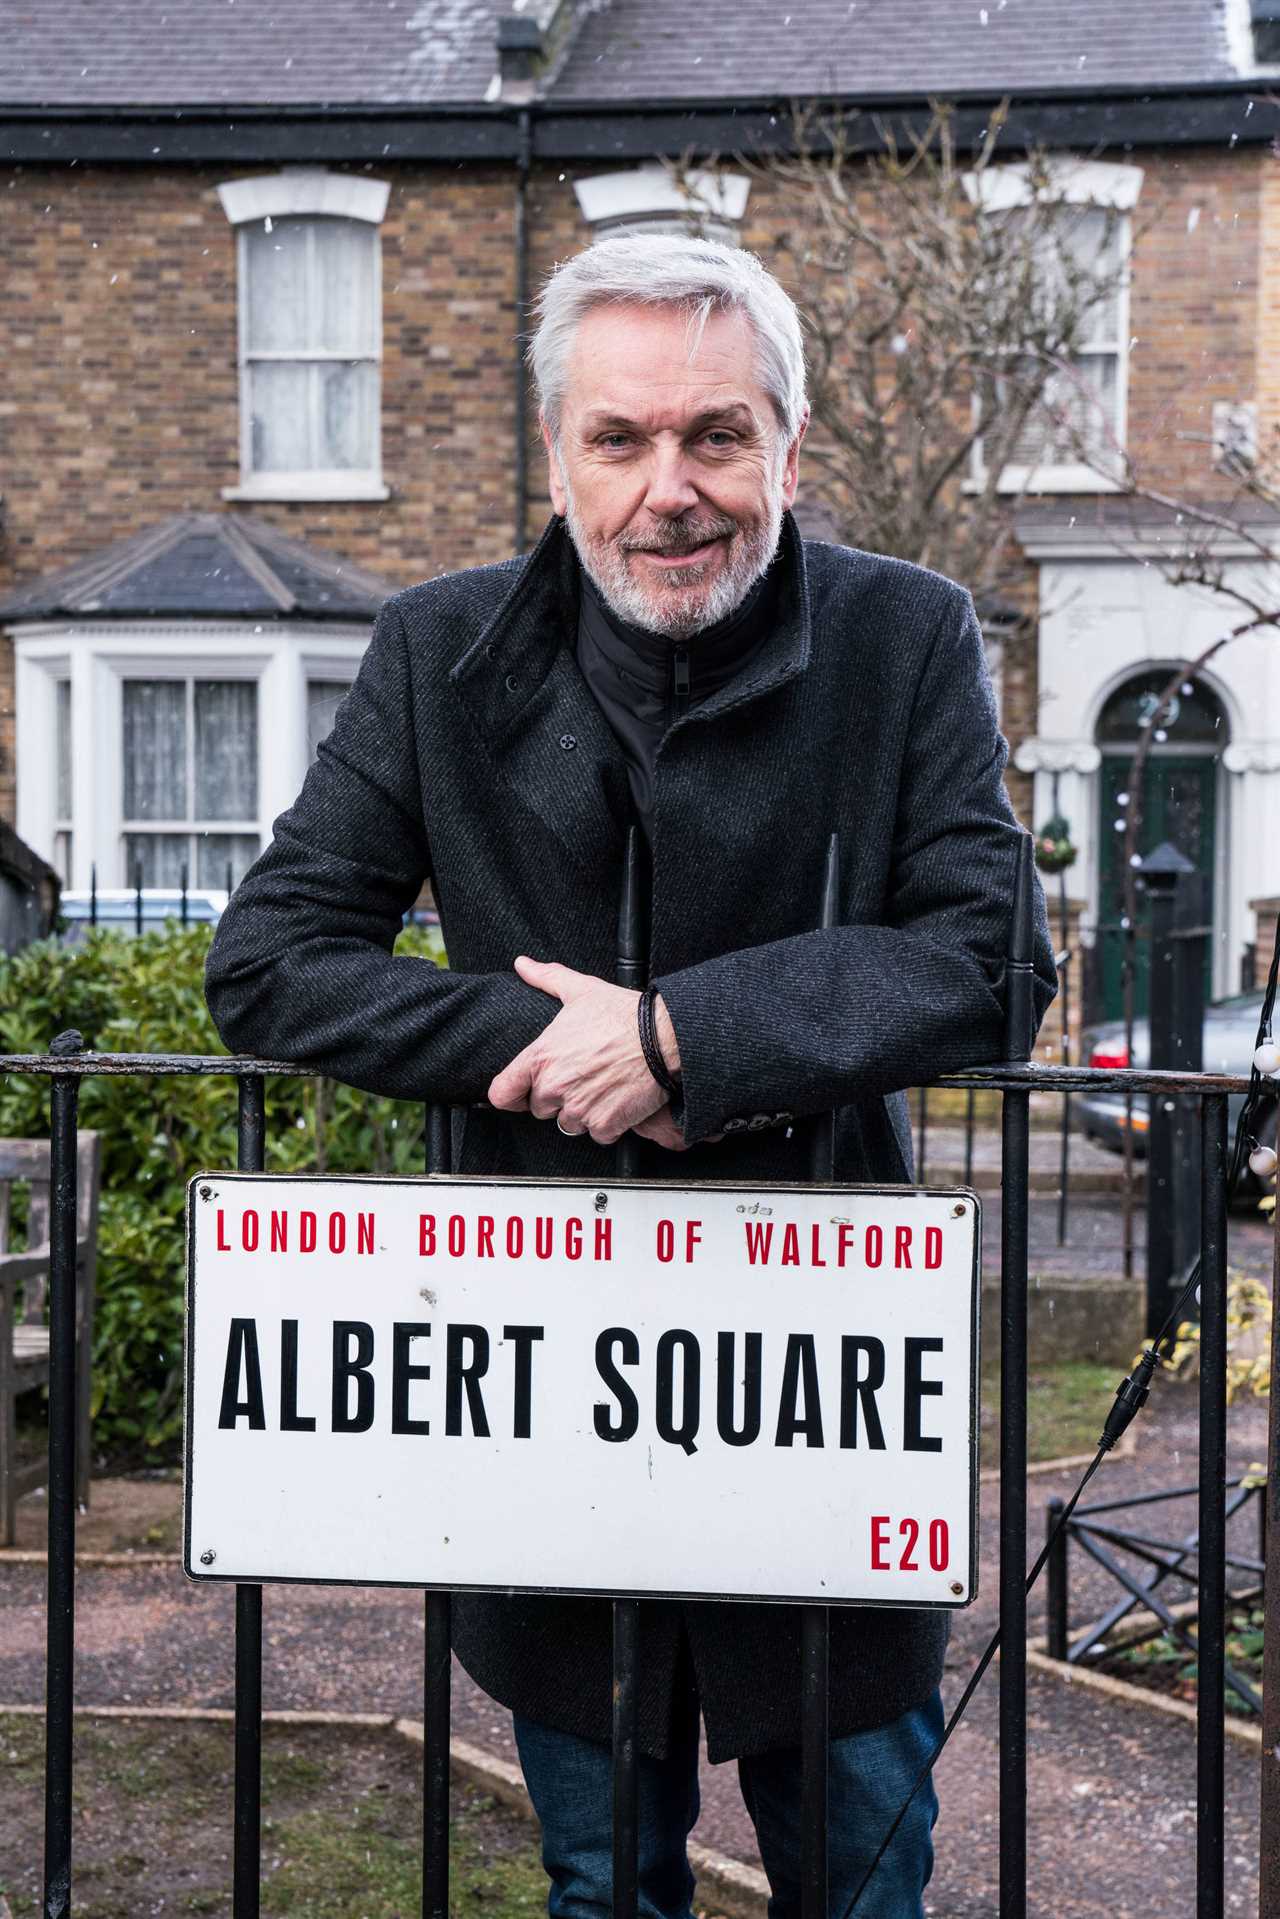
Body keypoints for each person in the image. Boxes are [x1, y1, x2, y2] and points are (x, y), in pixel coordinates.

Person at [204, 232, 1057, 1919]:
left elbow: (991, 958)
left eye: (716, 436)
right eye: (622, 440)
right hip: (550, 1393)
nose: (672, 489)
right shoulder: (438, 650)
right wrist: (566, 1057)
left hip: (818, 1394)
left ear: (787, 450)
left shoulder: (907, 636)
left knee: (864, 1881)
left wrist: (682, 1042)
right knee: (602, 1886)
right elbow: (273, 959)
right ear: (558, 455)